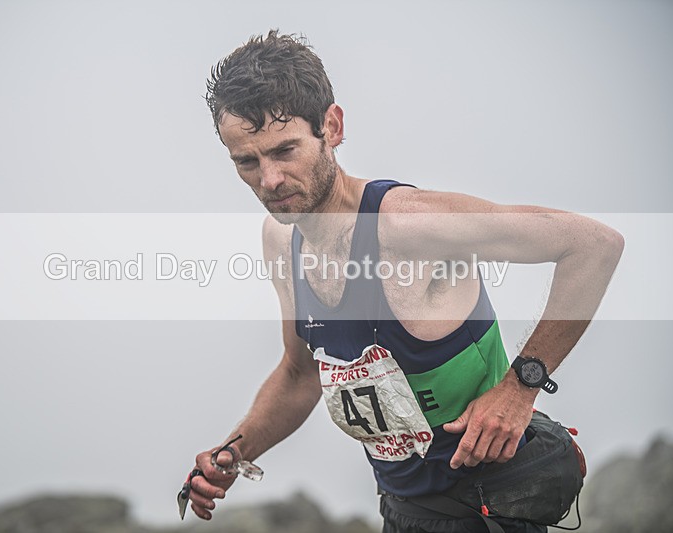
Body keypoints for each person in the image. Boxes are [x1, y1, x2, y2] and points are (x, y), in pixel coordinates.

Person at [185, 30, 623, 532]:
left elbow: (592, 245)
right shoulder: (281, 241)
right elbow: (299, 375)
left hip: (492, 510)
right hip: (403, 511)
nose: (270, 181)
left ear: (331, 126)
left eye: (285, 151)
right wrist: (233, 453)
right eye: (248, 161)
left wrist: (519, 388)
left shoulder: (408, 225)